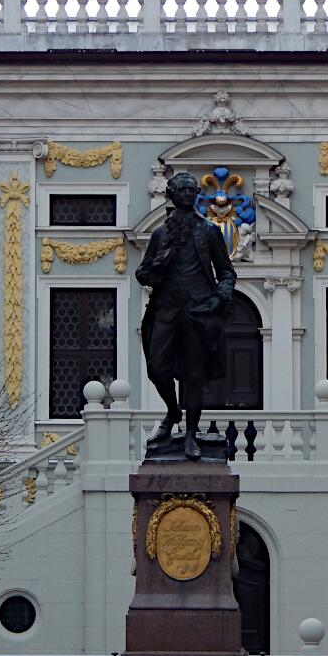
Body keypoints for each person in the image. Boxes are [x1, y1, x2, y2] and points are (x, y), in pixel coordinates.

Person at [136, 172, 237, 459]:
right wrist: (158, 262)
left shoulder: (208, 231)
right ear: (172, 194)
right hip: (166, 310)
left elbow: (227, 273)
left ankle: (191, 435)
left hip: (197, 312)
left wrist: (221, 295)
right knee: (157, 367)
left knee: (194, 376)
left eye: (193, 190)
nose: (189, 194)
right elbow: (142, 274)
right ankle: (172, 411)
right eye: (183, 190)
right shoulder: (160, 234)